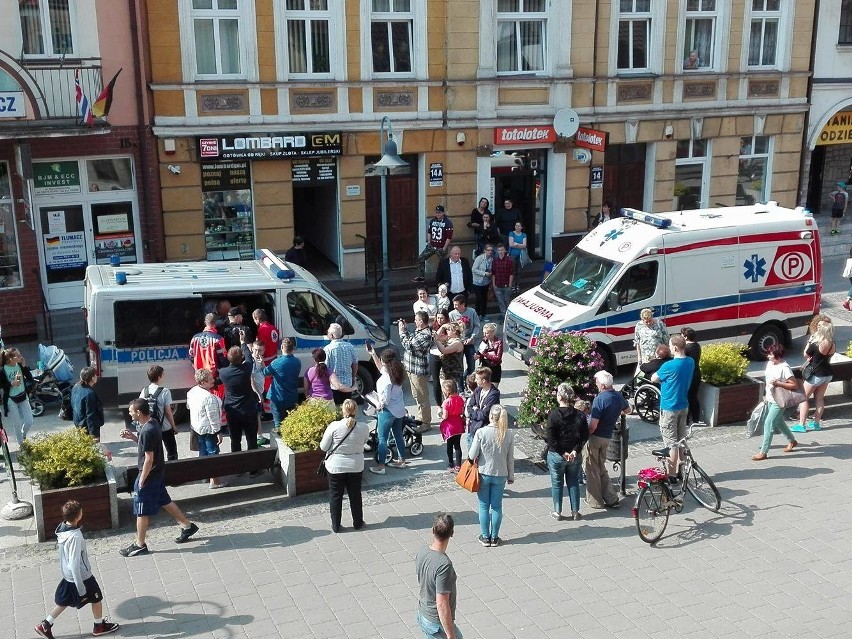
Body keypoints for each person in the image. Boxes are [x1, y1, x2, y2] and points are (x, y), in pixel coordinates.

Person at [119, 399, 199, 556]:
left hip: (149, 475)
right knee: (164, 500)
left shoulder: (147, 430)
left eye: (130, 411)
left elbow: (149, 458)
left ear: (138, 413)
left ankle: (140, 544)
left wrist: (142, 480)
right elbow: (147, 446)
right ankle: (187, 525)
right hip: (157, 473)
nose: (129, 413)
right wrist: (134, 438)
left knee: (141, 511)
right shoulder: (152, 423)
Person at [34, 500, 120, 639]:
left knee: (64, 601)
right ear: (79, 515)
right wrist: (80, 587)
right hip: (81, 576)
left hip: (68, 575)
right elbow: (74, 562)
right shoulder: (75, 536)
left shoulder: (62, 529)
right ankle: (99, 626)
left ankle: (45, 624)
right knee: (97, 597)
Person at [467, 404, 514, 547]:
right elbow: (510, 458)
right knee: (497, 507)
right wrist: (511, 475)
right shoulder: (508, 434)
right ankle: (495, 537)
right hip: (500, 474)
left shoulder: (481, 432)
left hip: (483, 472)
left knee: (483, 506)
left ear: (490, 416)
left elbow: (471, 455)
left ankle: (485, 536)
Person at [320, 398, 370, 533]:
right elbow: (365, 441)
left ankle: (336, 525)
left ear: (343, 410)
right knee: (355, 495)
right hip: (356, 465)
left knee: (335, 496)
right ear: (356, 411)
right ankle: (358, 523)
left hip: (336, 466)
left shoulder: (334, 426)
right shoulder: (364, 427)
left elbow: (323, 447)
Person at [652, 334, 695, 479]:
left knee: (671, 444)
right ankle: (683, 472)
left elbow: (654, 378)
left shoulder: (668, 365)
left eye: (670, 346)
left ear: (675, 348)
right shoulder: (690, 361)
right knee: (681, 440)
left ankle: (671, 475)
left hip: (669, 407)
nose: (669, 348)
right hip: (683, 405)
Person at [585, 370, 629, 509]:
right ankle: (611, 498)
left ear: (603, 385)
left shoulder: (600, 399)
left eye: (597, 382)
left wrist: (585, 435)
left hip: (596, 437)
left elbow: (593, 425)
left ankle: (595, 501)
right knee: (601, 467)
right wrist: (618, 412)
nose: (596, 384)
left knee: (592, 469)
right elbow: (628, 410)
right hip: (607, 437)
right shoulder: (617, 396)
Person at [546, 383, 589, 521]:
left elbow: (551, 439)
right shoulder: (580, 416)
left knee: (557, 483)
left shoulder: (553, 416)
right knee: (573, 482)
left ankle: (557, 512)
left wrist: (562, 452)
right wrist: (575, 451)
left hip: (557, 455)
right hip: (574, 455)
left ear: (560, 396)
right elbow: (584, 436)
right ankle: (575, 511)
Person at [415, 513, 462, 639]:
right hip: (436, 623)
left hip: (423, 613)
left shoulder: (422, 551)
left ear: (433, 530)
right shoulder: (444, 565)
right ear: (452, 533)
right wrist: (451, 636)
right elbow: (442, 604)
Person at [753, 344, 800, 461]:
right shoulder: (770, 363)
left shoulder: (785, 367)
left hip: (779, 400)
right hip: (770, 397)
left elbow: (794, 385)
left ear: (778, 357)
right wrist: (765, 395)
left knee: (768, 423)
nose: (768, 356)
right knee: (779, 422)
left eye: (770, 354)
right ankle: (792, 441)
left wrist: (779, 383)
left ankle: (763, 452)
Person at [368, 348, 408, 475]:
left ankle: (381, 466)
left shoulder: (385, 380)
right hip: (399, 409)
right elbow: (381, 368)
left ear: (383, 361)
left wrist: (376, 403)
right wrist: (373, 354)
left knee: (382, 438)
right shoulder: (396, 372)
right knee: (398, 435)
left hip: (387, 411)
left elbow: (385, 400)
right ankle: (402, 460)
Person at [793, 317, 836, 433]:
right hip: (827, 374)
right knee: (819, 399)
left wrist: (809, 341)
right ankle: (816, 423)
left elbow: (805, 355)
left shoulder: (816, 344)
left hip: (816, 374)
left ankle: (801, 425)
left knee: (803, 398)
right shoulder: (832, 344)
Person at [186, 368, 227, 489]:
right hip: (209, 430)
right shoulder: (209, 397)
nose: (213, 380)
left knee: (203, 452)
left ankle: (205, 475)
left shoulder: (192, 391)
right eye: (210, 379)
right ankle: (214, 481)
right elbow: (213, 417)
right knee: (213, 454)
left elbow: (189, 406)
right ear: (202, 382)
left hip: (197, 427)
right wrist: (218, 432)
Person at [220, 337, 260, 453]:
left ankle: (237, 467)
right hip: (248, 410)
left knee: (235, 440)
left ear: (228, 358)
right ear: (241, 358)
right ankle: (253, 469)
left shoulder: (223, 373)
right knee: (252, 439)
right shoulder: (246, 368)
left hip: (232, 412)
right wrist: (243, 343)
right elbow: (248, 356)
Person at [400, 312, 433, 430]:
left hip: (418, 370)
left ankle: (425, 423)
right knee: (416, 396)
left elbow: (409, 345)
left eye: (416, 319)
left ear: (421, 321)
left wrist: (402, 332)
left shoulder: (426, 334)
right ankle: (421, 418)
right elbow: (411, 339)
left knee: (422, 397)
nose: (414, 321)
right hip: (411, 368)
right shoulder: (418, 332)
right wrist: (406, 330)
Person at [139, 365, 178, 461]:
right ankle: (173, 470)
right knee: (171, 451)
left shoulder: (145, 390)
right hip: (165, 427)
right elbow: (168, 412)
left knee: (155, 451)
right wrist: (174, 426)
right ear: (159, 377)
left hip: (151, 426)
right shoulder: (165, 391)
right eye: (163, 374)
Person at [265, 337, 301, 428]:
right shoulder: (297, 361)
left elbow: (265, 373)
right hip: (292, 396)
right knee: (291, 424)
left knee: (278, 425)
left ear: (281, 347)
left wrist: (262, 363)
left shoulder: (276, 362)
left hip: (278, 397)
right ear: (293, 349)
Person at [0, 347, 34, 446]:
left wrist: (24, 366)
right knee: (17, 424)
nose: (21, 357)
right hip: (11, 399)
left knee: (29, 421)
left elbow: (30, 378)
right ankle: (21, 445)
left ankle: (23, 434)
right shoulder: (3, 370)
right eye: (18, 356)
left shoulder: (19, 365)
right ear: (11, 358)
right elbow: (1, 384)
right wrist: (11, 383)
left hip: (23, 396)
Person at [188, 313, 227, 395]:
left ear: (205, 322)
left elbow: (191, 357)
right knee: (216, 402)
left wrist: (197, 369)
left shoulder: (194, 338)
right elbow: (223, 360)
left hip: (200, 377)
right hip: (214, 379)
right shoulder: (218, 339)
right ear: (215, 323)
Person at [414, 205, 454, 283]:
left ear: (443, 213)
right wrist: (429, 242)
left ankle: (444, 279)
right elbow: (429, 232)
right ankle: (421, 276)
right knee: (421, 258)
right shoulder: (432, 221)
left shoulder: (447, 222)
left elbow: (449, 237)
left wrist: (444, 248)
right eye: (436, 212)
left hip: (441, 247)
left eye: (439, 212)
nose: (438, 214)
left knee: (444, 264)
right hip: (432, 245)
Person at [464, 367, 500, 449]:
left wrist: (475, 410)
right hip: (473, 428)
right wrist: (477, 411)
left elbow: (484, 415)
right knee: (472, 455)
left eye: (477, 379)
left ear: (483, 381)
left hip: (485, 430)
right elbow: (469, 407)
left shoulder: (494, 394)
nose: (475, 381)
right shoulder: (478, 390)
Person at [324, 323, 359, 405]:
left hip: (334, 385)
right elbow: (355, 363)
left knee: (337, 408)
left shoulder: (328, 349)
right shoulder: (349, 346)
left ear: (332, 335)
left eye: (328, 332)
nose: (327, 333)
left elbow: (326, 367)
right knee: (347, 405)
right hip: (348, 383)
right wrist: (353, 376)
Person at [449, 295, 480, 378]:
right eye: (454, 305)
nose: (455, 307)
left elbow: (477, 326)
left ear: (463, 304)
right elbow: (450, 329)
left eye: (457, 305)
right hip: (458, 343)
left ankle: (467, 379)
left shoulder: (471, 312)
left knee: (472, 365)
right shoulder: (451, 314)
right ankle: (461, 385)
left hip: (469, 341)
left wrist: (472, 337)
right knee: (459, 366)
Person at [71, 367, 104, 443]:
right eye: (95, 375)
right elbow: (91, 416)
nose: (97, 377)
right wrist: (94, 435)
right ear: (92, 378)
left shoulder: (76, 387)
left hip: (78, 422)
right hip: (87, 426)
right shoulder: (89, 393)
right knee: (92, 447)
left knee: (83, 443)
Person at [439, 379, 465, 472]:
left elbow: (445, 416)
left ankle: (451, 463)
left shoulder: (446, 402)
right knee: (457, 446)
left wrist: (441, 415)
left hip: (450, 427)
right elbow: (462, 412)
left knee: (449, 446)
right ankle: (458, 465)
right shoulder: (460, 399)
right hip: (458, 424)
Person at [435, 322, 465, 398]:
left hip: (453, 373)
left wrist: (437, 340)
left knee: (452, 396)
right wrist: (442, 327)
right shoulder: (448, 339)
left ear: (454, 331)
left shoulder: (457, 342)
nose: (446, 331)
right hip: (444, 372)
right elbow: (437, 337)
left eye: (448, 330)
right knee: (446, 395)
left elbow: (444, 350)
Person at [681, 327, 702, 425]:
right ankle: (696, 419)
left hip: (688, 375)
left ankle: (686, 421)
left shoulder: (686, 349)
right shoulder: (697, 346)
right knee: (693, 397)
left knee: (686, 398)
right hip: (697, 373)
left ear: (685, 337)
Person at [491, 243, 515, 317]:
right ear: (497, 251)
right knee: (500, 302)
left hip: (506, 285)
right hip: (498, 285)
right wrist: (494, 284)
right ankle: (503, 315)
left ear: (505, 251)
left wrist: (510, 285)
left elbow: (511, 273)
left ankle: (508, 317)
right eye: (499, 250)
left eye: (502, 250)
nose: (500, 251)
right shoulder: (495, 261)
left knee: (507, 301)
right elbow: (493, 273)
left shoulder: (509, 261)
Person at [471, 244, 493, 320]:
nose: (490, 252)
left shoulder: (491, 259)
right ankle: (477, 315)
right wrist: (484, 273)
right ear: (485, 251)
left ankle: (483, 315)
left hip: (486, 282)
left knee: (484, 299)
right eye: (488, 250)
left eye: (491, 250)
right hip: (477, 282)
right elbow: (473, 269)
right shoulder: (479, 258)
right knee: (479, 298)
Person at [507, 221, 528, 286]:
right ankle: (512, 284)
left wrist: (516, 244)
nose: (517, 227)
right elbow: (511, 244)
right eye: (516, 225)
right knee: (512, 270)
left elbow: (524, 245)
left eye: (519, 226)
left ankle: (517, 284)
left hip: (521, 255)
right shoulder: (511, 233)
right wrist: (520, 245)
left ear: (521, 227)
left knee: (519, 271)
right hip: (513, 254)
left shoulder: (524, 235)